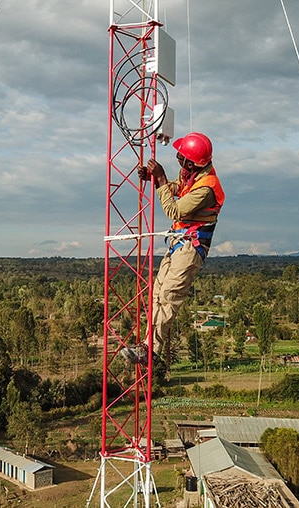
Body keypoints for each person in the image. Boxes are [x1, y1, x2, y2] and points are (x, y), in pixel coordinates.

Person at [121, 132, 225, 376]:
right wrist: (157, 181)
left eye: (182, 158)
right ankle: (148, 347)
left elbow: (174, 210)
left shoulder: (208, 188)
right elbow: (178, 188)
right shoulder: (194, 174)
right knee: (157, 294)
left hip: (192, 248)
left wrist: (160, 179)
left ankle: (151, 351)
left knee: (169, 294)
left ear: (193, 162)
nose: (178, 160)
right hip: (179, 243)